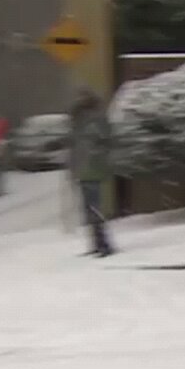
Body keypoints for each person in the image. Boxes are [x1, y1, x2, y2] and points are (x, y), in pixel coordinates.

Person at [68, 87, 116, 257]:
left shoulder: (96, 118)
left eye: (82, 97)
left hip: (93, 168)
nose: (79, 100)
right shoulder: (78, 119)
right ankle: (96, 243)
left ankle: (104, 244)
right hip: (83, 169)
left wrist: (94, 152)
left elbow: (105, 140)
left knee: (94, 208)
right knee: (88, 209)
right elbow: (75, 145)